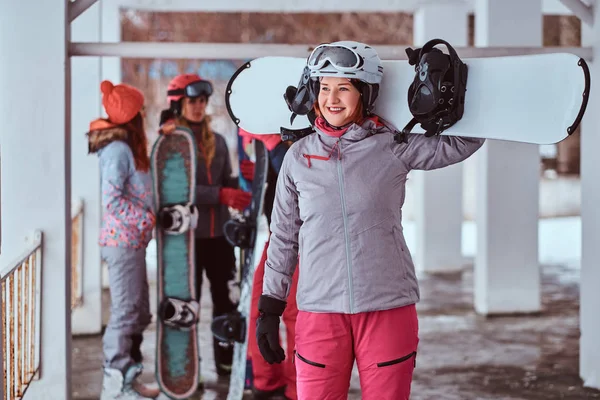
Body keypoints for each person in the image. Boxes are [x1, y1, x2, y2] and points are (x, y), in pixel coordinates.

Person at [254, 41, 486, 399]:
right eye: (325, 87)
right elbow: (284, 236)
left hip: (387, 305)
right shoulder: (298, 158)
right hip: (319, 309)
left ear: (365, 93)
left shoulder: (393, 145)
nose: (332, 98)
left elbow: (459, 145)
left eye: (344, 87)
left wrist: (451, 94)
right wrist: (270, 306)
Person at [159, 73, 252, 378]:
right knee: (188, 302)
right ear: (179, 103)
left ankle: (226, 366)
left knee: (226, 301)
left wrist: (241, 185)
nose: (198, 107)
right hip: (186, 238)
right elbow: (174, 192)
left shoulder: (220, 141)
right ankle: (186, 369)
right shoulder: (171, 142)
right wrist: (219, 194)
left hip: (219, 236)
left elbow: (227, 181)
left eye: (202, 101)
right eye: (192, 101)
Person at [87, 80, 158, 400]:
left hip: (133, 243)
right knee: (126, 312)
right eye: (140, 109)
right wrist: (147, 219)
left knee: (140, 311)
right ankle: (115, 385)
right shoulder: (116, 150)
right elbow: (112, 201)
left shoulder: (128, 148)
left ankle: (129, 376)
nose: (143, 113)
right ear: (132, 116)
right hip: (122, 243)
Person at [239, 129, 299, 400]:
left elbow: (300, 176)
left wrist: (274, 147)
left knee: (295, 315)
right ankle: (267, 382)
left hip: (307, 238)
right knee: (257, 309)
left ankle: (298, 389)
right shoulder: (268, 128)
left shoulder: (309, 129)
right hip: (278, 235)